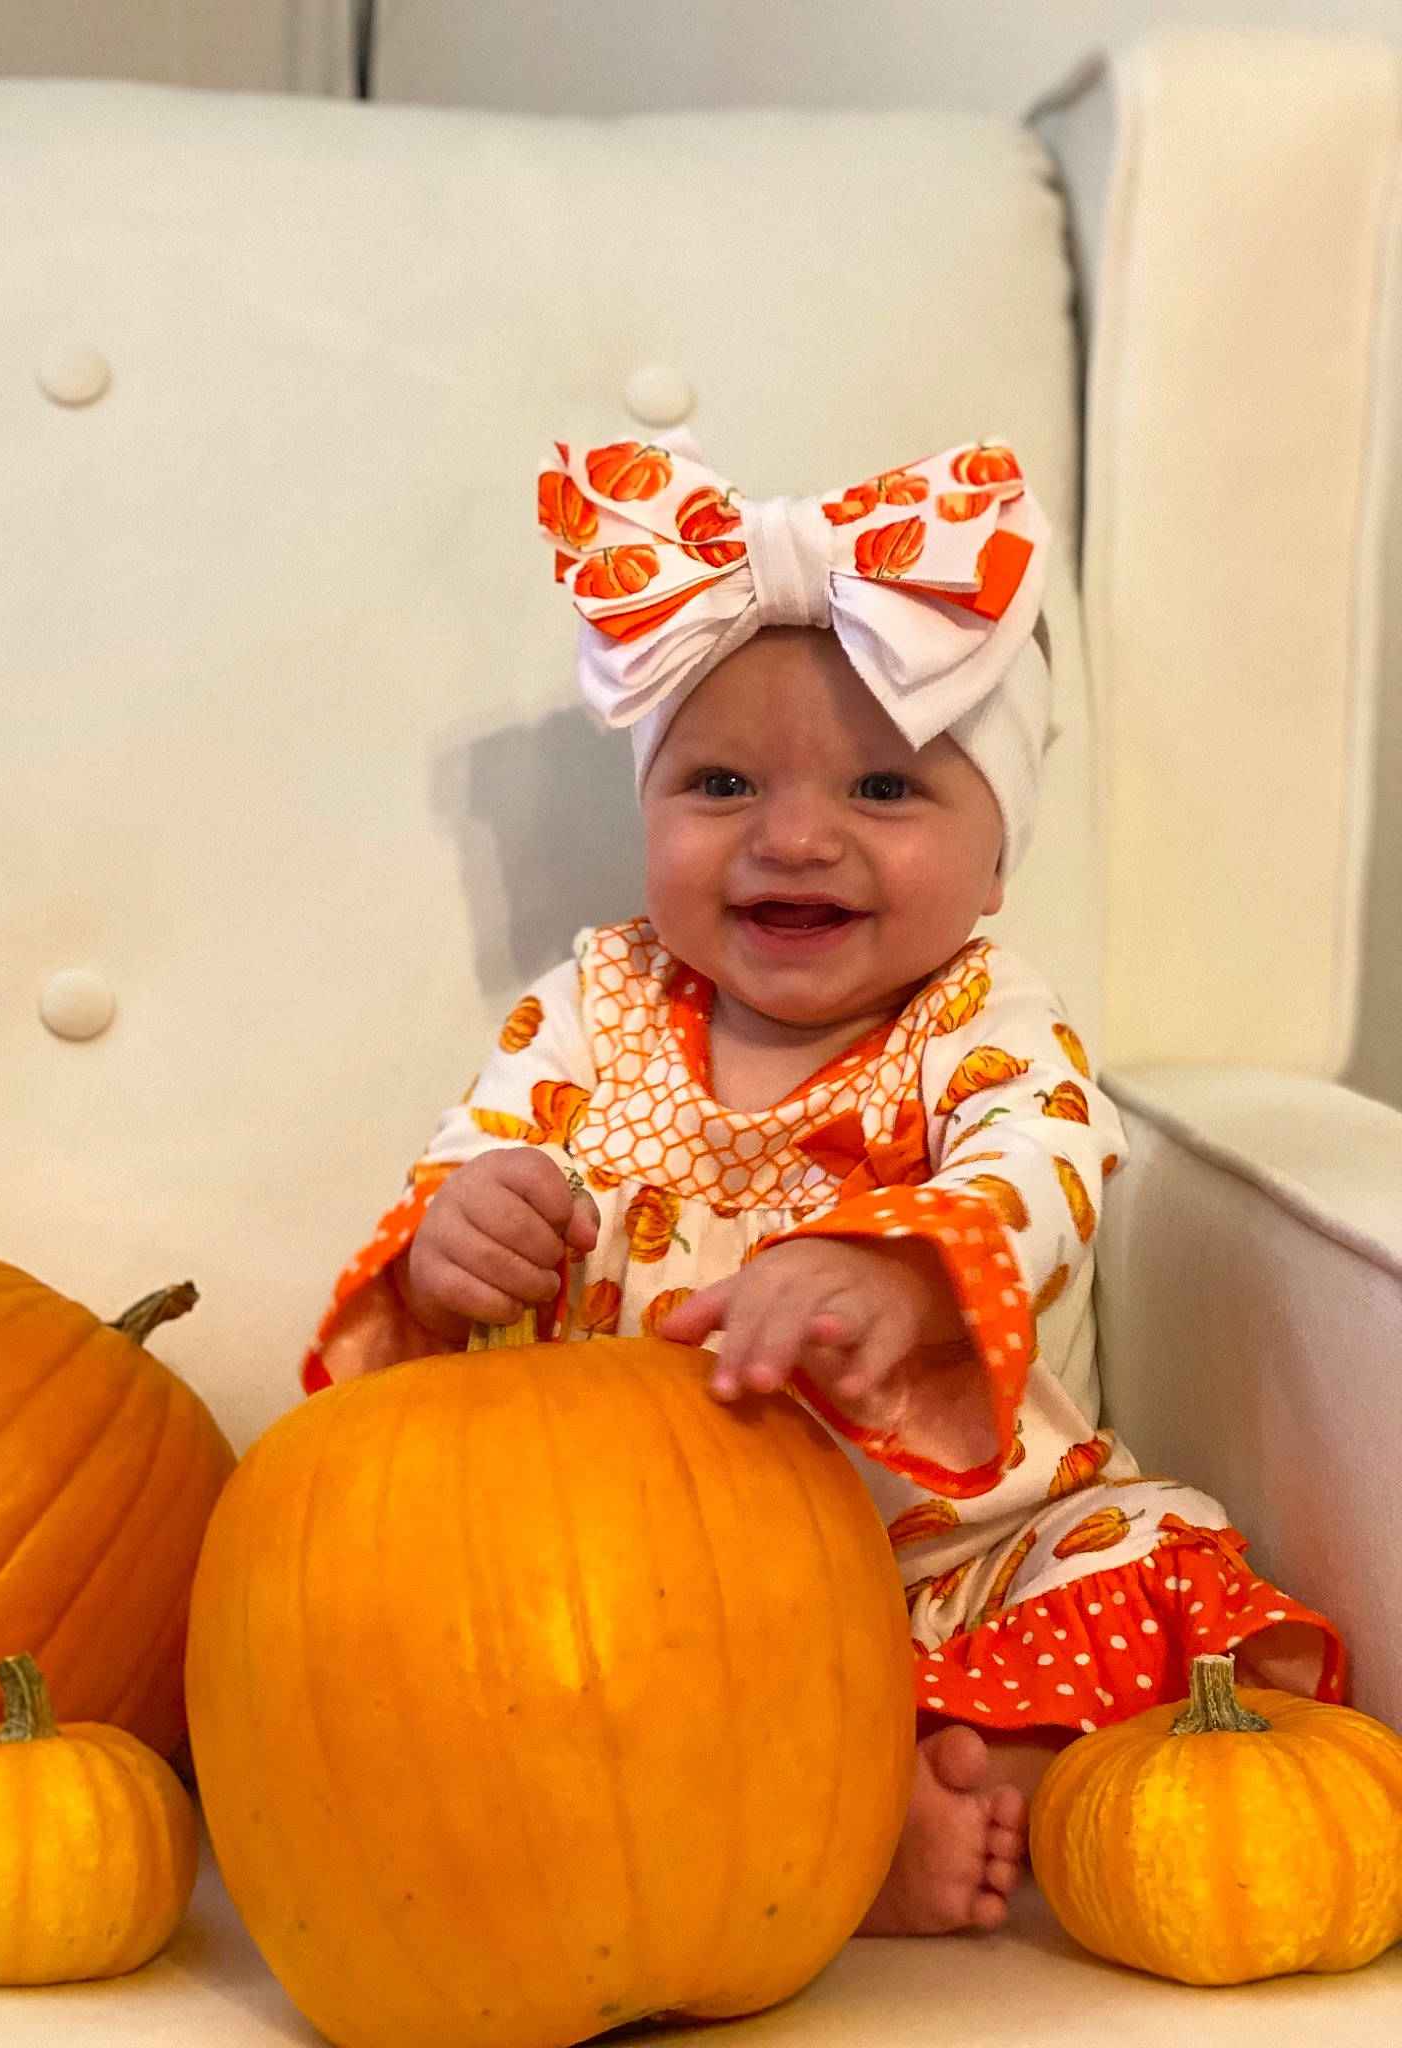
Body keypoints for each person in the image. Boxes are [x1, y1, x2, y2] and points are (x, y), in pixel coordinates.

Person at [299, 429, 1345, 1935]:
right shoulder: (592, 1007)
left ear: (997, 861)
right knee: (525, 1685)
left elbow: (1042, 1173)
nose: (795, 837)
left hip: (952, 1558)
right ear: (649, 814)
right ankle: (842, 1840)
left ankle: (950, 1794)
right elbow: (475, 1153)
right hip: (654, 1580)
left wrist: (896, 1269)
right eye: (719, 781)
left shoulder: (984, 1023)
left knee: (1144, 1557)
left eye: (885, 788)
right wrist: (467, 1229)